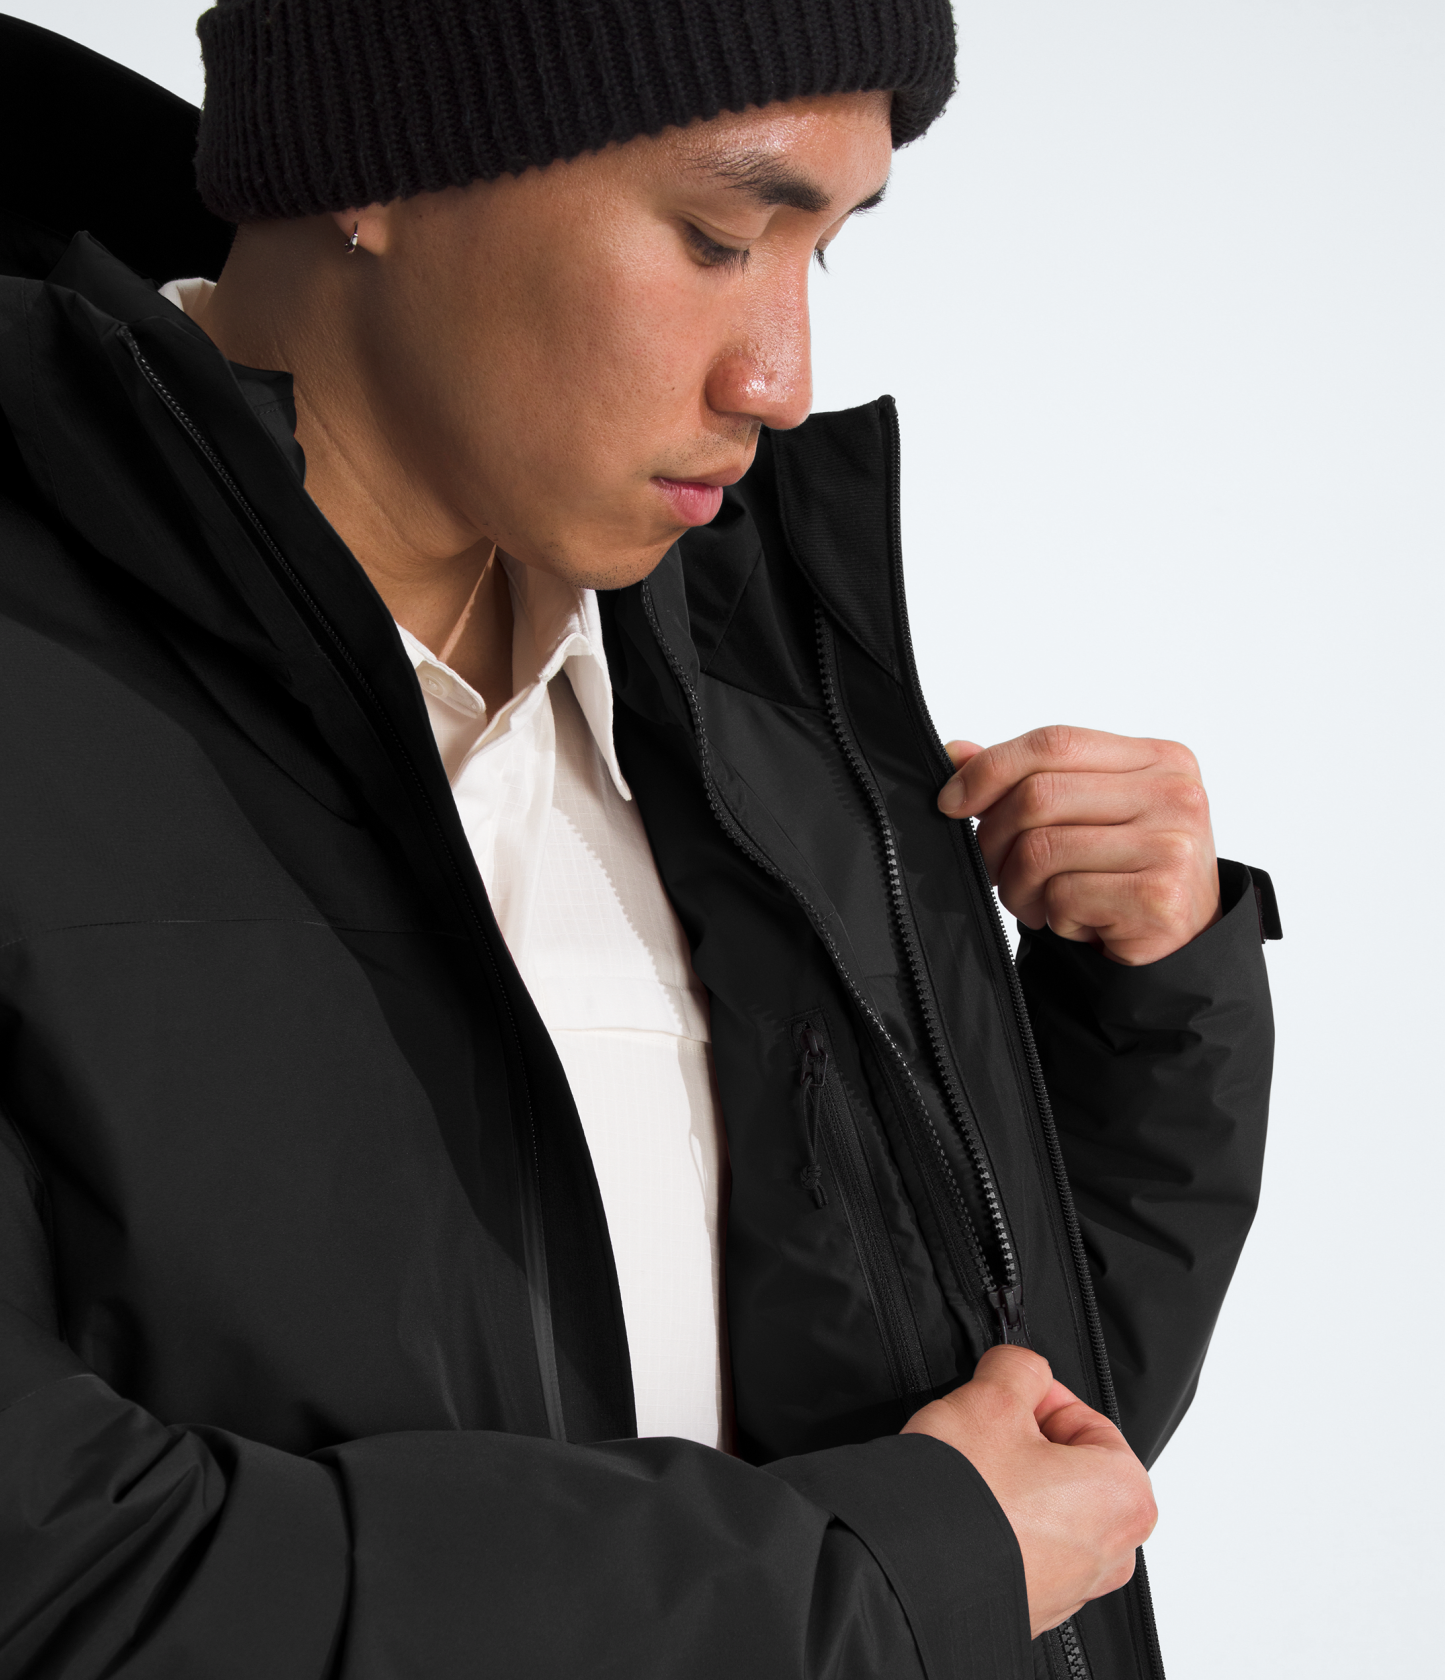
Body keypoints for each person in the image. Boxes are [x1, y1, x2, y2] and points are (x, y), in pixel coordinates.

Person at [0, 4, 1277, 1677]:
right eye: (721, 236)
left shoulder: (754, 696)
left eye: (826, 252)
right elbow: (61, 1581)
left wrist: (1150, 1015)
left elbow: (1023, 1478)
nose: (781, 380)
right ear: (377, 167)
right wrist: (876, 1576)